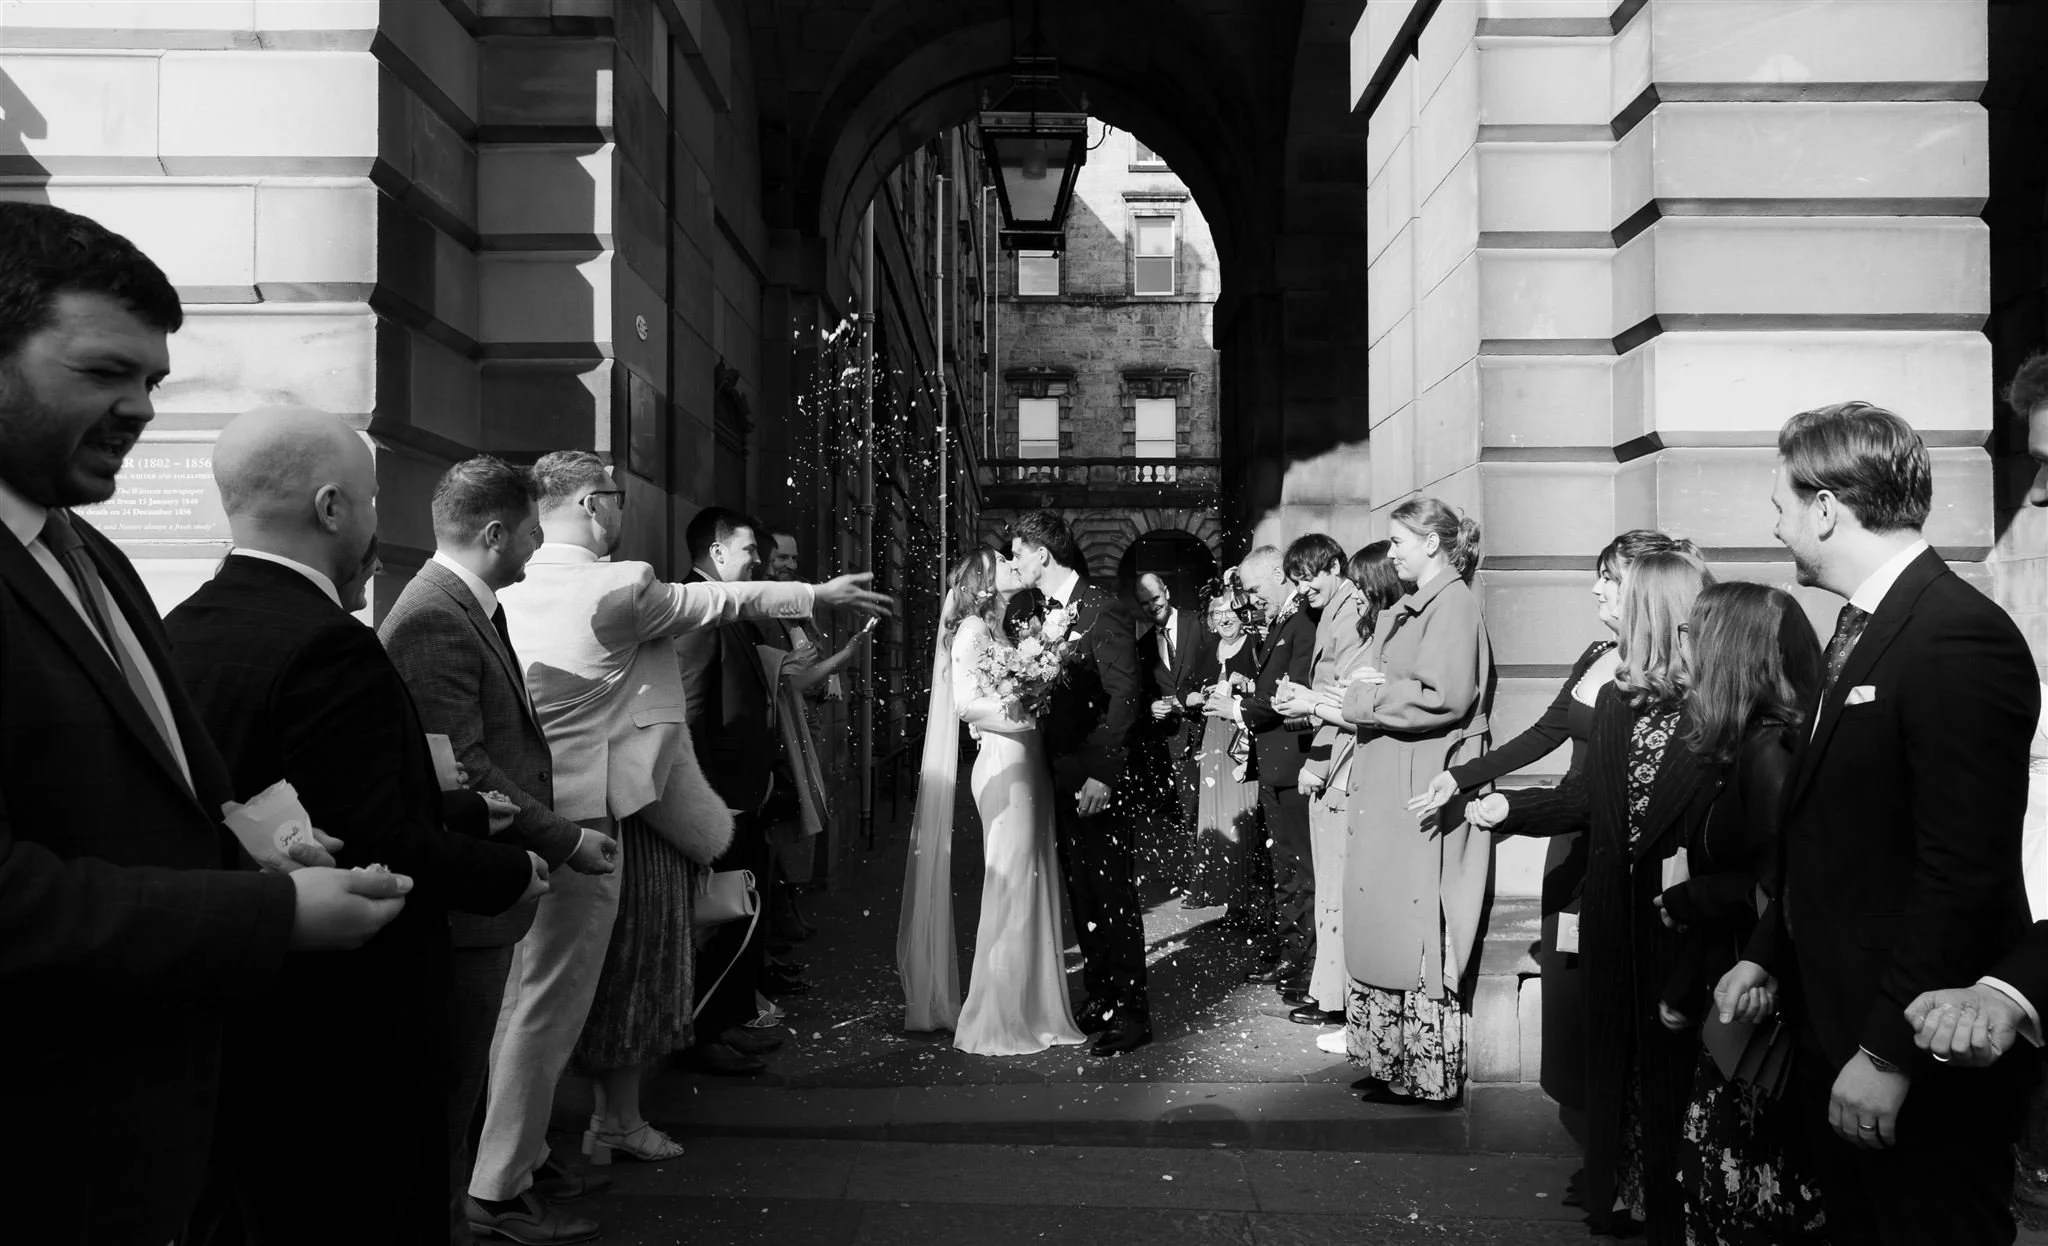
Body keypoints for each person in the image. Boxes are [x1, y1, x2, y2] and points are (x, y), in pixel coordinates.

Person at [0, 202, 407, 1246]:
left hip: (165, 1141)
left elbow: (176, 783)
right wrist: (275, 917)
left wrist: (272, 848)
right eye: (103, 372)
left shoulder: (95, 557)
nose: (139, 407)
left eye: (153, 381)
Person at [472, 458, 888, 1223]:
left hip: (522, 815)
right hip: (587, 824)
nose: (622, 511)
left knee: (523, 1001)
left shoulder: (508, 586)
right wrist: (815, 594)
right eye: (617, 497)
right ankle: (500, 1185)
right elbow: (715, 599)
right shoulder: (613, 582)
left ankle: (524, 1157)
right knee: (549, 1008)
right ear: (594, 506)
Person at [166, 407, 545, 1246]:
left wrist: (451, 803)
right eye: (373, 500)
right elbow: (378, 833)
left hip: (241, 1006)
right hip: (349, 1029)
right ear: (333, 508)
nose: (379, 522)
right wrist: (510, 871)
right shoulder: (330, 644)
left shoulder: (177, 628)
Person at [1713, 401, 2039, 1245]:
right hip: (1839, 1033)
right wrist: (1767, 957)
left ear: (1827, 507)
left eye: (1781, 503)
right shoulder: (1859, 631)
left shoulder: (1956, 637)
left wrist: (1890, 1053)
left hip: (1915, 1062)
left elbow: (1960, 873)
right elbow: (1832, 834)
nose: (1774, 523)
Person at [378, 456, 623, 1243]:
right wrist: (564, 839)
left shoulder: (465, 604)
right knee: (450, 1088)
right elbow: (464, 764)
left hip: (488, 887)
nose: (535, 547)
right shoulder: (432, 616)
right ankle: (473, 1215)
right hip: (466, 894)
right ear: (494, 533)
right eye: (528, 532)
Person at [1410, 529, 1694, 1195]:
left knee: (1619, 1011)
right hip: (1568, 852)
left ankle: (1625, 1172)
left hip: (1615, 856)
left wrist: (1512, 810)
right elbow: (1545, 732)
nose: (1596, 589)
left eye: (1610, 579)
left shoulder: (1666, 680)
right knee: (1573, 1011)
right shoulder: (1598, 654)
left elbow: (1594, 795)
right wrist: (1466, 775)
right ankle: (1599, 1154)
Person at [1469, 550, 1715, 1239]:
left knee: (1671, 1075)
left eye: (1622, 593)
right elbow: (1582, 798)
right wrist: (1505, 810)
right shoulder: (1615, 697)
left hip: (1681, 926)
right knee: (1614, 1062)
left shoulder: (1718, 708)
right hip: (1612, 913)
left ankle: (1671, 1202)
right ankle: (1622, 1189)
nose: (1606, 604)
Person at [1659, 581, 1828, 1245]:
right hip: (1729, 997)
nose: (1681, 645)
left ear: (1725, 650)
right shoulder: (1741, 743)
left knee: (1745, 1203)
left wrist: (1700, 897)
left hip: (1762, 1019)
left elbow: (1788, 881)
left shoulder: (1771, 753)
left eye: (1692, 632)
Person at [1325, 496, 1492, 1106]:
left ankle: (1422, 1072)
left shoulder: (1453, 603)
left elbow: (1443, 696)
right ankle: (1389, 1058)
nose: (1389, 552)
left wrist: (1364, 699)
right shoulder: (1417, 603)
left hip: (1419, 780)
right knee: (1385, 918)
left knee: (1411, 922)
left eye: (1399, 541)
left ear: (1432, 542)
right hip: (1396, 772)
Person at [900, 547, 1090, 1055]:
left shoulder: (1000, 630)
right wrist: (1027, 709)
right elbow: (966, 704)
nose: (1013, 564)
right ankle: (997, 1016)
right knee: (1010, 887)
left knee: (1031, 882)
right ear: (983, 583)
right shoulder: (971, 632)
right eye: (1003, 564)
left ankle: (1033, 1006)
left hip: (1025, 763)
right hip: (1006, 765)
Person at [1009, 509, 1148, 1055]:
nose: (1013, 562)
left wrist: (1105, 775)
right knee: (1082, 893)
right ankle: (1101, 996)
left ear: (1043, 555)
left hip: (1097, 779)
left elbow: (1126, 695)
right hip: (1061, 775)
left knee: (1112, 894)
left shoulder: (1102, 609)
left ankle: (1133, 1012)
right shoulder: (1042, 612)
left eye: (1018, 552)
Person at [676, 506, 805, 1070]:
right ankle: (704, 1035)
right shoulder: (697, 609)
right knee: (718, 919)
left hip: (744, 791)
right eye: (751, 551)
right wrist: (705, 798)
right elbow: (689, 708)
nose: (760, 560)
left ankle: (728, 1022)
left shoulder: (730, 610)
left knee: (740, 915)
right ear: (718, 551)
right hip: (719, 796)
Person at [1304, 542, 1406, 1053]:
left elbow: (1386, 712)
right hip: (1353, 770)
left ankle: (1356, 1014)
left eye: (1364, 590)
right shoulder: (1380, 625)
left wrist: (1319, 705)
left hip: (1371, 777)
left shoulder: (1395, 631)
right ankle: (1354, 1013)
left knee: (1356, 901)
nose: (1358, 600)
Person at [1269, 533, 1365, 1026]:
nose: (1303, 588)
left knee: (1330, 887)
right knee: (1325, 884)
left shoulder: (1349, 609)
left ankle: (1336, 998)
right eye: (1297, 581)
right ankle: (1329, 993)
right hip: (1327, 751)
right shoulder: (1332, 608)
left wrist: (1318, 761)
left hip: (1339, 762)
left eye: (1308, 578)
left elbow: (1345, 694)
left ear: (1333, 565)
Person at [1231, 544, 1319, 1001]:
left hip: (1295, 764)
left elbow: (1291, 691)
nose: (1250, 598)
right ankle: (1292, 957)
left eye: (1253, 588)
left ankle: (1306, 969)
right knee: (1283, 869)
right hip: (1276, 765)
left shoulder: (1302, 620)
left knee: (1300, 870)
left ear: (1277, 576)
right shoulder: (1283, 620)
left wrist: (1238, 705)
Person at [1182, 572, 1262, 916]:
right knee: (1215, 814)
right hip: (1213, 738)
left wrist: (1248, 685)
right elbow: (1184, 691)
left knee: (1243, 814)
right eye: (1217, 613)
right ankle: (1223, 894)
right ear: (1211, 620)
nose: (1225, 618)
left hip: (1241, 737)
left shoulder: (1256, 646)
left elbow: (1267, 690)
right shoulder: (1204, 650)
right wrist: (1197, 696)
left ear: (1241, 614)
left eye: (1230, 610)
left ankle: (1248, 899)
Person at [1136, 571, 1204, 844]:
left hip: (1209, 729)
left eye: (1155, 598)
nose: (1152, 607)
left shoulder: (1198, 623)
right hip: (1174, 741)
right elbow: (1141, 691)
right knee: (1189, 817)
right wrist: (1151, 705)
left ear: (1167, 592)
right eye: (1144, 603)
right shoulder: (1142, 647)